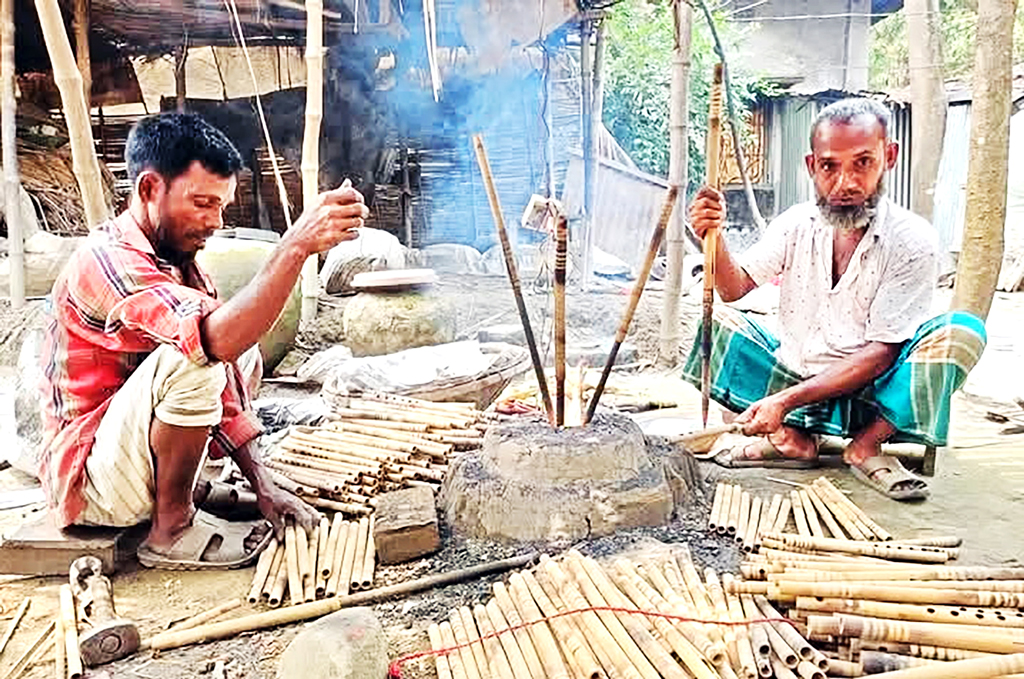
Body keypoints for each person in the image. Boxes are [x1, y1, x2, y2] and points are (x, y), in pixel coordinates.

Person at [39, 113, 367, 567]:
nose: (216, 222)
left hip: (127, 463)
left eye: (221, 207)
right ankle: (171, 529)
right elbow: (212, 346)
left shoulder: (184, 268)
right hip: (91, 484)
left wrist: (262, 483)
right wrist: (293, 246)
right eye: (202, 203)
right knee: (197, 354)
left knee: (238, 353)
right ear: (149, 189)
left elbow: (228, 368)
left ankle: (187, 491)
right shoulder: (106, 260)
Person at [684, 98, 987, 501]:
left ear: (888, 157)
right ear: (812, 166)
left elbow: (882, 352)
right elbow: (733, 288)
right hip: (794, 378)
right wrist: (715, 237)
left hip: (872, 396)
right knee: (720, 324)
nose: (846, 183)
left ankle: (866, 445)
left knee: (962, 331)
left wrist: (783, 401)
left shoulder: (913, 240)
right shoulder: (795, 224)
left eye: (862, 163)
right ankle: (792, 440)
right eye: (830, 166)